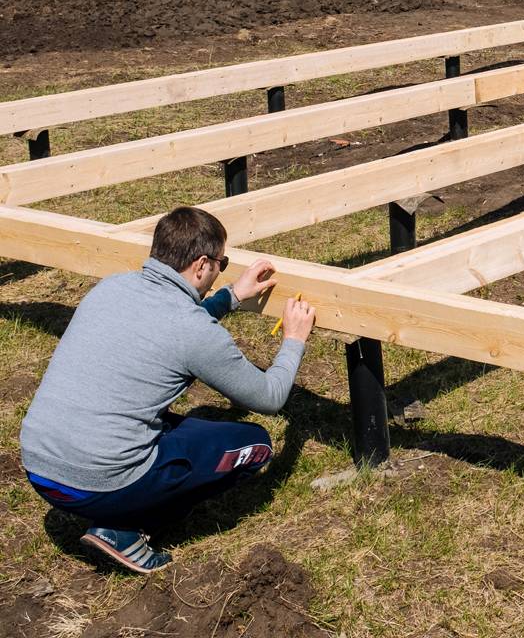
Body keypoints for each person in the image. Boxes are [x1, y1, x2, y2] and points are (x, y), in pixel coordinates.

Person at [19, 206, 316, 574]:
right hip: (100, 483)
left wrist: (232, 294)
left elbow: (173, 325)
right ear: (202, 264)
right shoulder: (192, 330)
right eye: (221, 264)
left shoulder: (112, 286)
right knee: (255, 444)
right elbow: (269, 398)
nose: (219, 271)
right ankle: (126, 528)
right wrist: (294, 339)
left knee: (170, 427)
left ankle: (121, 511)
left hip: (39, 466)